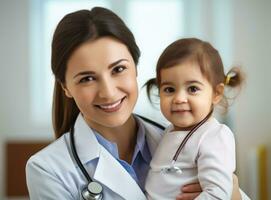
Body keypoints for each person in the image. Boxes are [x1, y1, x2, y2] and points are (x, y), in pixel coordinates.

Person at [25, 7, 248, 200]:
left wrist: (233, 192)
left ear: (136, 67)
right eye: (87, 78)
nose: (108, 92)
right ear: (66, 87)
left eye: (118, 69)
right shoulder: (47, 169)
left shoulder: (182, 139)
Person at [144, 38, 247, 199]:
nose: (179, 98)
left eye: (192, 89)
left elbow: (218, 195)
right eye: (169, 89)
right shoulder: (169, 131)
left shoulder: (214, 136)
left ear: (216, 93)